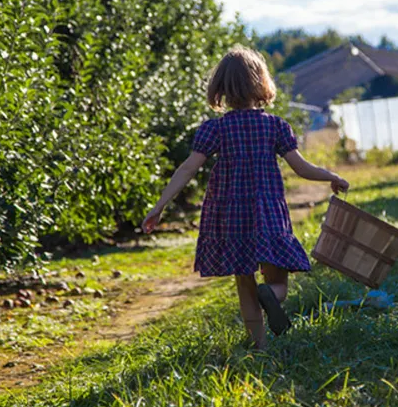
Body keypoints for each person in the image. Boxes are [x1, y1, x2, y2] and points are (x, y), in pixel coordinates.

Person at [141, 46, 349, 349]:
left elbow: (187, 169)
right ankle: (273, 296)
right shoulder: (275, 126)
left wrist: (159, 206)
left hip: (230, 217)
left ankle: (260, 347)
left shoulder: (215, 129)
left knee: (244, 283)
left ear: (221, 88)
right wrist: (331, 175)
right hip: (268, 213)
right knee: (278, 278)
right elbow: (302, 168)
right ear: (260, 83)